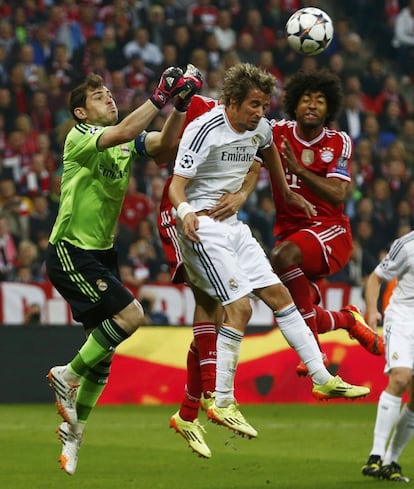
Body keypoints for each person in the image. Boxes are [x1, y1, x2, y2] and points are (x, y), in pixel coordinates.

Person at [168, 63, 370, 447]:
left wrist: (281, 191)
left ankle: (322, 378)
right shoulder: (204, 130)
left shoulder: (259, 128)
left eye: (264, 105)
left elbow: (267, 151)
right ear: (231, 103)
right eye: (254, 105)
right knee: (239, 308)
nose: (261, 113)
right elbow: (177, 187)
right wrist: (186, 213)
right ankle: (223, 401)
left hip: (233, 226)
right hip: (203, 226)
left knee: (279, 295)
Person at [45, 65, 202, 476]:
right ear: (81, 113)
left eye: (109, 93)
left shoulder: (124, 142)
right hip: (71, 250)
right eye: (99, 97)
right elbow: (118, 133)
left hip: (102, 254)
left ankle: (74, 434)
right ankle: (67, 373)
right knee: (131, 316)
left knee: (104, 356)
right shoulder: (81, 138)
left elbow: (166, 147)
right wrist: (158, 97)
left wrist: (179, 108)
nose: (110, 98)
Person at [159, 93, 262, 458]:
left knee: (218, 306)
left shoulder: (246, 122)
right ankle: (212, 395)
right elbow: (164, 155)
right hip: (182, 214)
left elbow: (255, 165)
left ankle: (190, 411)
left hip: (217, 217)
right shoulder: (197, 109)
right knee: (211, 301)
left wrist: (242, 195)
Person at [269, 69, 384, 377]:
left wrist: (298, 169)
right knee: (298, 312)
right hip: (291, 234)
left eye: (320, 101)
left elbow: (338, 193)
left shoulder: (338, 141)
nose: (312, 105)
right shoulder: (276, 132)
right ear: (294, 105)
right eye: (306, 99)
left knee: (282, 257)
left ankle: (314, 352)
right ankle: (347, 320)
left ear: (328, 109)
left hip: (331, 232)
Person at [361, 230, 414, 483]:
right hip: (403, 319)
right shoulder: (406, 245)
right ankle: (375, 454)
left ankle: (390, 461)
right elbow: (375, 277)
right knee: (401, 378)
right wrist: (372, 310)